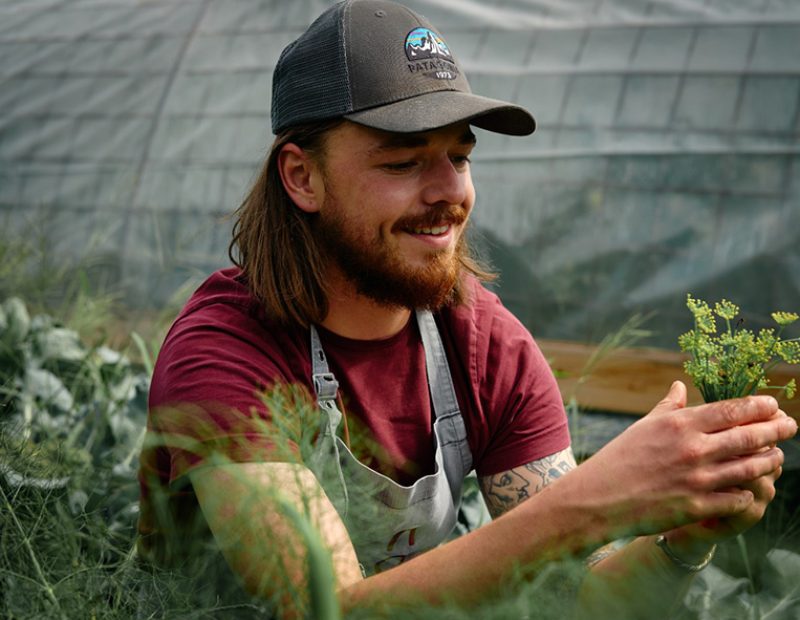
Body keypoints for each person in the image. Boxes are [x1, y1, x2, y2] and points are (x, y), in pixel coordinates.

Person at [136, 0, 797, 617]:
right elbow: (324, 607)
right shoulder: (223, 353)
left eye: (459, 156)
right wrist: (592, 502)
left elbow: (581, 602)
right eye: (403, 161)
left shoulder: (486, 348)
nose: (451, 191)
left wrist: (683, 539)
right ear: (302, 177)